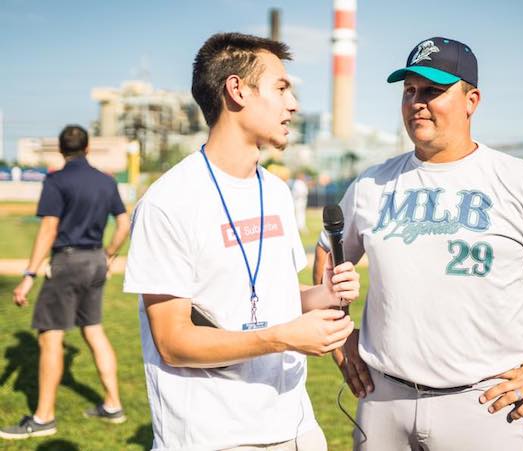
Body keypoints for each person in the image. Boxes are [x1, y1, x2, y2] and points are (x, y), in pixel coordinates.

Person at [317, 36, 523, 450]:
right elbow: (328, 251)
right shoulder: (372, 183)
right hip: (382, 397)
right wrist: (342, 335)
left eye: (433, 91)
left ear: (471, 100)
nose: (417, 102)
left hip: (482, 405)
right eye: (409, 91)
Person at [123, 32, 360, 450]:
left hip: (296, 426)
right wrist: (285, 337)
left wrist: (322, 295)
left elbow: (276, 300)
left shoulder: (277, 191)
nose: (293, 105)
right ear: (237, 90)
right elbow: (172, 342)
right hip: (212, 436)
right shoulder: (168, 202)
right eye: (281, 88)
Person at [1, 125, 130, 440]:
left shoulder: (57, 180)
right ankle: (113, 405)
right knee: (93, 330)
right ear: (88, 149)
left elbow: (47, 231)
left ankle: (44, 418)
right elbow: (124, 224)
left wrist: (29, 276)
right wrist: (108, 255)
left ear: (61, 150)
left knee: (50, 337)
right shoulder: (106, 181)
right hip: (95, 261)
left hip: (68, 262)